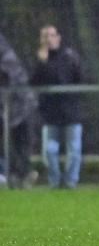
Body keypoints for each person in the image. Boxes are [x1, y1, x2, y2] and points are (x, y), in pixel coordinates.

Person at [31, 25, 84, 189]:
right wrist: (42, 62)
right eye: (45, 36)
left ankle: (70, 182)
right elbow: (33, 81)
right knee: (49, 150)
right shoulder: (39, 59)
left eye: (51, 35)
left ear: (58, 38)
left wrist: (77, 66)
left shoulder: (69, 56)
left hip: (71, 110)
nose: (48, 39)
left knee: (74, 149)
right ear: (41, 40)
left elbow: (80, 78)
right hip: (50, 111)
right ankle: (55, 182)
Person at [0, 32, 37, 189]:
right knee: (14, 143)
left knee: (22, 142)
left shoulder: (7, 55)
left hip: (19, 104)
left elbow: (12, 74)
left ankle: (20, 174)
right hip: (10, 105)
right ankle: (14, 175)